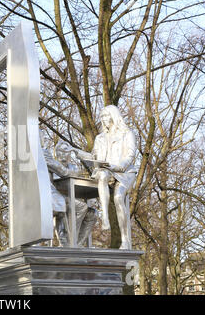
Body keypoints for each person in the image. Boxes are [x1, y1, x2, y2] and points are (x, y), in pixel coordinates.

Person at [72, 105, 137, 249]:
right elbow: (95, 157)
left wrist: (117, 167)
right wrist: (79, 153)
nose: (103, 120)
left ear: (113, 116)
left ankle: (125, 240)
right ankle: (105, 217)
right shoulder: (100, 138)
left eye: (105, 117)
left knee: (119, 198)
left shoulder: (127, 134)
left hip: (124, 172)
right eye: (101, 118)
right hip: (107, 170)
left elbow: (130, 155)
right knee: (101, 175)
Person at [43, 142, 97, 247]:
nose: (63, 155)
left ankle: (77, 244)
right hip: (59, 199)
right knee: (81, 207)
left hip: (71, 197)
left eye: (66, 152)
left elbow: (77, 182)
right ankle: (71, 242)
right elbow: (63, 179)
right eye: (60, 152)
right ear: (56, 153)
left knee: (93, 213)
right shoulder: (53, 165)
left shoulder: (73, 167)